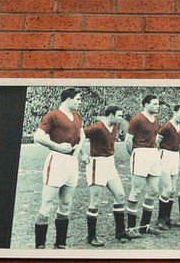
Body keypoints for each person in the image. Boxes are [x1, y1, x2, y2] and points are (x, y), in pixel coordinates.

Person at [32, 88, 85, 249]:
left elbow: (81, 134)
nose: (79, 102)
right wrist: (57, 147)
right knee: (47, 203)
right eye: (77, 99)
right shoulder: (53, 115)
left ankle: (60, 244)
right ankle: (40, 246)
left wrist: (81, 151)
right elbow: (38, 137)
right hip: (57, 161)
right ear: (68, 99)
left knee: (66, 203)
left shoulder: (76, 115)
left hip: (71, 163)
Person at [81, 104, 136, 246]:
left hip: (110, 164)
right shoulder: (97, 127)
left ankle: (120, 231)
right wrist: (82, 154)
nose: (121, 118)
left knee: (120, 196)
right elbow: (78, 135)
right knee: (96, 201)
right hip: (96, 164)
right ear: (111, 115)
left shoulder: (115, 126)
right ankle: (91, 236)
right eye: (119, 115)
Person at [125, 94, 161, 235]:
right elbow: (128, 141)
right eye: (154, 103)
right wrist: (135, 155)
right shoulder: (137, 119)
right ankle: (131, 227)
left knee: (153, 190)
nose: (157, 106)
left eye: (158, 104)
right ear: (145, 104)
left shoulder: (155, 119)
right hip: (140, 153)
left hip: (153, 153)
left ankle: (144, 226)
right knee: (137, 190)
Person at [156, 103, 180, 229]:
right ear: (174, 112)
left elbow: (179, 143)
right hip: (165, 156)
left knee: (172, 190)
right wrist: (158, 157)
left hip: (175, 157)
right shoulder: (167, 126)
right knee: (167, 189)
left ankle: (167, 218)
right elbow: (156, 142)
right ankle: (160, 219)